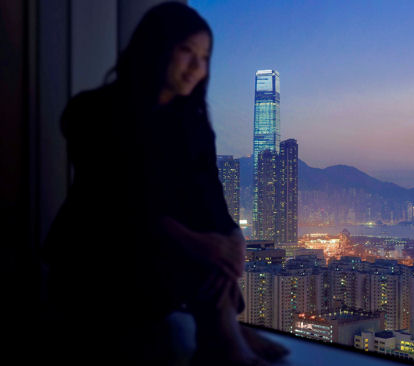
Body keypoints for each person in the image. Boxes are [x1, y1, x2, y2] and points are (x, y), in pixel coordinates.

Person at [43, 3, 287, 365]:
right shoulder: (93, 111)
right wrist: (205, 245)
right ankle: (222, 331)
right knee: (200, 251)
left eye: (204, 57)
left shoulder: (190, 123)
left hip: (160, 256)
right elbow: (113, 205)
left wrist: (232, 237)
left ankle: (223, 328)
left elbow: (209, 193)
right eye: (187, 51)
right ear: (156, 47)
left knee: (212, 241)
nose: (196, 67)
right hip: (100, 254)